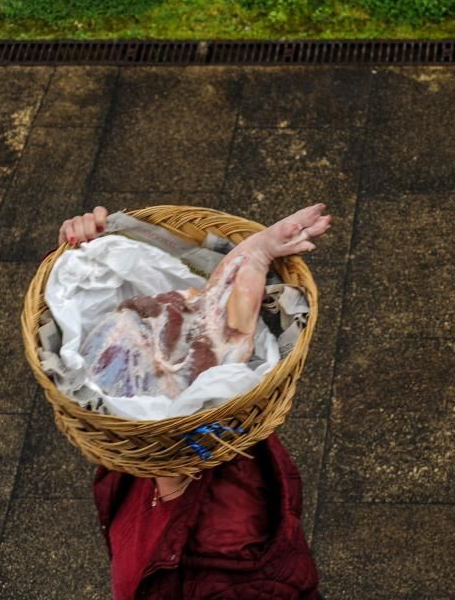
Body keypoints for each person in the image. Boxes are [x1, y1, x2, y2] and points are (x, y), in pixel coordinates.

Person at [58, 207, 321, 600]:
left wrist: (259, 253)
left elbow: (228, 322)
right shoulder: (142, 457)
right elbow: (226, 316)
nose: (173, 308)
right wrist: (84, 244)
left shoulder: (236, 571)